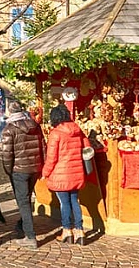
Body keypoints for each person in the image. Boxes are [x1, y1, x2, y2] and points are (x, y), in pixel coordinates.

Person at [1, 100, 46, 248]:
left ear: (10, 111)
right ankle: (22, 225)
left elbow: (7, 155)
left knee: (23, 201)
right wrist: (42, 166)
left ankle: (30, 236)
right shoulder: (35, 125)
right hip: (35, 168)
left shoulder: (9, 129)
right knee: (26, 199)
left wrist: (9, 171)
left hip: (19, 170)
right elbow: (43, 146)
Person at [42, 104, 88, 245]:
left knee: (64, 203)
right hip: (76, 172)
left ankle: (67, 231)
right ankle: (79, 231)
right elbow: (88, 148)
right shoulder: (77, 130)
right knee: (75, 200)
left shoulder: (55, 133)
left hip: (60, 174)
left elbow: (51, 158)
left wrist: (45, 173)